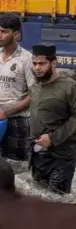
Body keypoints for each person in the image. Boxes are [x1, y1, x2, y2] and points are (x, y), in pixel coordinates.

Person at [30, 44, 76, 195]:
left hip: (62, 153)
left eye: (42, 64)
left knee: (57, 197)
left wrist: (52, 138)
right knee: (39, 194)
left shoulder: (70, 86)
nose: (37, 68)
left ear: (53, 63)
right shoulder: (35, 86)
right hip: (38, 151)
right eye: (34, 64)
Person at [0, 13, 35, 163]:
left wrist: (6, 112)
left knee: (16, 167)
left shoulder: (27, 59)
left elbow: (35, 95)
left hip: (18, 122)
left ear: (16, 34)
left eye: (4, 32)